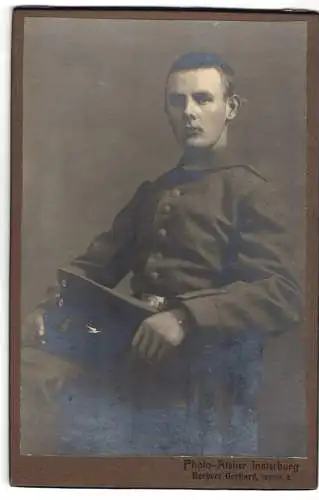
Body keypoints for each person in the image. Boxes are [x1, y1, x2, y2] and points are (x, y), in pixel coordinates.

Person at [21, 52, 302, 456]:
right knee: (29, 380)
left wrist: (186, 315)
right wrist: (48, 309)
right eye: (178, 101)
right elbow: (94, 265)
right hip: (132, 361)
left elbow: (284, 292)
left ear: (232, 107)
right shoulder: (153, 192)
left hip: (206, 383)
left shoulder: (251, 193)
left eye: (203, 99)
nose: (189, 112)